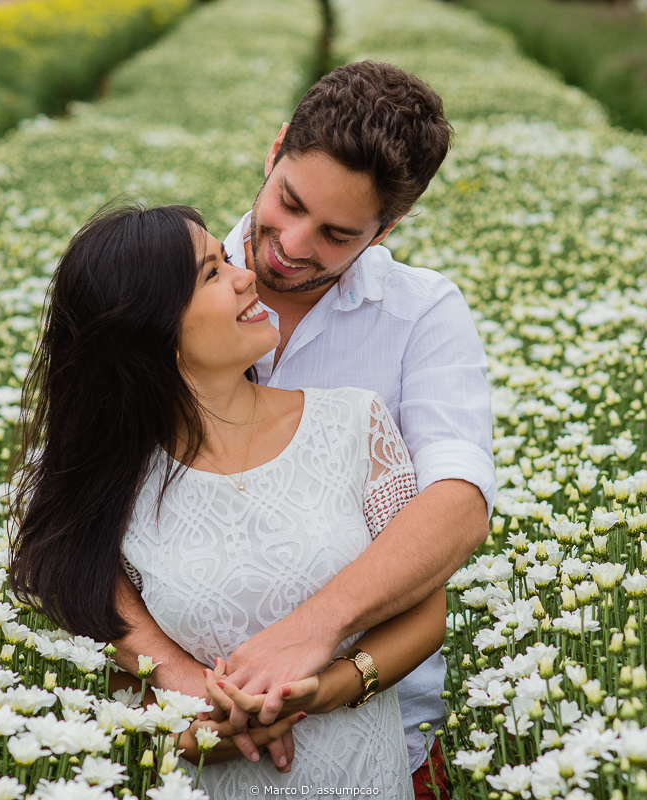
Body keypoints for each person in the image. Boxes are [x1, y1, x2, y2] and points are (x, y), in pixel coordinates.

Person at [107, 61, 495, 797]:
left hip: (384, 736)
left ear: (389, 227)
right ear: (277, 146)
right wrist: (185, 680)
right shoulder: (162, 282)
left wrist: (313, 646)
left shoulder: (422, 317)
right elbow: (69, 518)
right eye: (288, 203)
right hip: (187, 746)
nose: (288, 245)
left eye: (337, 234)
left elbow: (458, 505)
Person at [9, 203, 447, 797]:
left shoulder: (352, 422)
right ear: (153, 332)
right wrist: (195, 740)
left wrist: (331, 689)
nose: (245, 274)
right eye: (212, 272)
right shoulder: (112, 495)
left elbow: (425, 613)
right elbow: (122, 690)